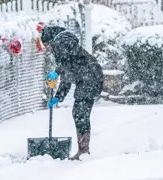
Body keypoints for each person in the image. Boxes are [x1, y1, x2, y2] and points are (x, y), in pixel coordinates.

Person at [41, 25, 104, 160]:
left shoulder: (63, 41)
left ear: (51, 40)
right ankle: (83, 149)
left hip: (89, 78)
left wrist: (57, 72)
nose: (47, 48)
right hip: (89, 78)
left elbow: (68, 60)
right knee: (79, 113)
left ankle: (84, 150)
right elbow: (67, 78)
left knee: (80, 113)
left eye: (46, 44)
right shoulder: (62, 46)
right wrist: (58, 97)